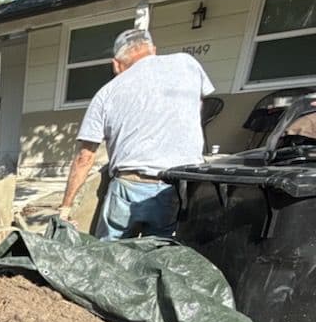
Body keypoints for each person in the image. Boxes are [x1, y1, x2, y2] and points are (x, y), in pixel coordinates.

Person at [59, 28, 214, 239]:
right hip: (175, 186)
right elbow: (197, 106)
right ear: (153, 50)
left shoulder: (107, 93)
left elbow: (84, 158)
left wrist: (65, 208)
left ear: (116, 64)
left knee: (110, 257)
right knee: (159, 255)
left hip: (129, 185)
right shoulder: (187, 64)